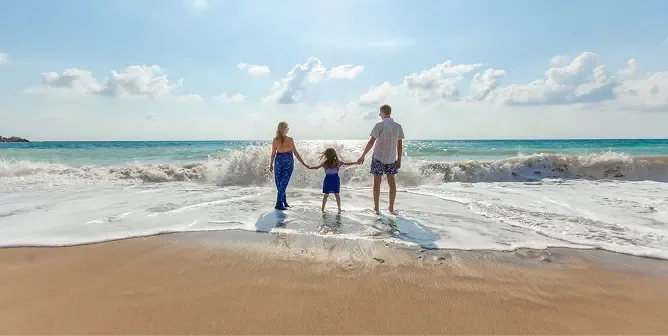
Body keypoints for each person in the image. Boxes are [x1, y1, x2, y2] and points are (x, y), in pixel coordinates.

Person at [356, 104, 405, 213]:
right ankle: (391, 208)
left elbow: (371, 142)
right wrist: (399, 160)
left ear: (383, 113)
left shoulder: (379, 125)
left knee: (377, 183)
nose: (380, 115)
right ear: (389, 113)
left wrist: (363, 155)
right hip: (391, 158)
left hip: (378, 157)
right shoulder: (398, 126)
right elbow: (400, 146)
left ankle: (377, 208)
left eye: (380, 114)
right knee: (392, 182)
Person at [269, 121, 308, 210]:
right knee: (282, 183)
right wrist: (304, 163)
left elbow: (273, 154)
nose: (288, 130)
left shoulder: (276, 139)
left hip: (279, 161)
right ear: (285, 129)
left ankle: (283, 202)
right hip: (287, 162)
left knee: (281, 183)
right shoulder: (287, 139)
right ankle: (279, 204)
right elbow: (295, 153)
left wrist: (271, 164)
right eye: (287, 128)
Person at [308, 148, 359, 212]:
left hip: (328, 180)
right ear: (334, 154)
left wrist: (309, 167)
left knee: (326, 195)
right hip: (335, 180)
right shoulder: (337, 162)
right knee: (337, 194)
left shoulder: (325, 163)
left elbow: (316, 167)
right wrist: (357, 162)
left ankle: (323, 208)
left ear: (326, 155)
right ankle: (339, 208)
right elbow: (347, 164)